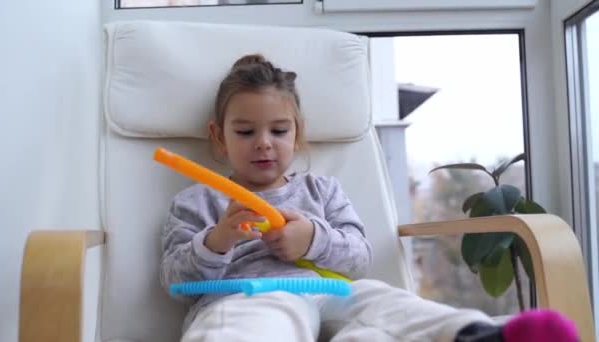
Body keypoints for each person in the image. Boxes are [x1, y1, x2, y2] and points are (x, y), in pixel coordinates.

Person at [159, 54, 578, 342]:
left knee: (383, 305)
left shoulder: (321, 191)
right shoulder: (198, 200)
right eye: (246, 132)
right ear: (219, 136)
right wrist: (220, 239)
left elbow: (359, 256)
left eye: (279, 131)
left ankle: (477, 334)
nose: (264, 144)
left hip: (332, 292)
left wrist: (313, 240)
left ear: (298, 132)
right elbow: (176, 282)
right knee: (257, 323)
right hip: (247, 296)